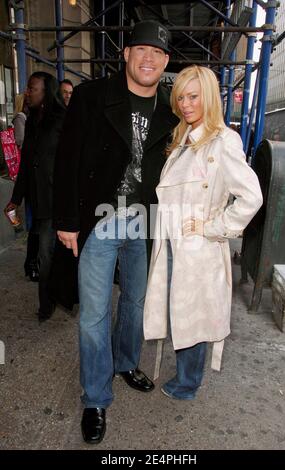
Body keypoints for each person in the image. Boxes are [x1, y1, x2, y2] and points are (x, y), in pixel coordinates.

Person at [52, 20, 178, 444]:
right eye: (141, 49)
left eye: (158, 53)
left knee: (136, 304)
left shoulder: (171, 109)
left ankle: (125, 361)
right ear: (126, 54)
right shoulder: (90, 98)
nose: (149, 58)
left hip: (145, 223)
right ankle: (95, 397)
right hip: (99, 221)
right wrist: (67, 220)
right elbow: (66, 160)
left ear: (165, 62)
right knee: (93, 315)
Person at [144, 65, 263, 401]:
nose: (185, 103)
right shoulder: (183, 138)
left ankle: (187, 383)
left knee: (192, 316)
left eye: (193, 96)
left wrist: (214, 227)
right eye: (181, 96)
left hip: (198, 247)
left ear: (209, 97)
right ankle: (186, 377)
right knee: (179, 309)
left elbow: (251, 197)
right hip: (172, 242)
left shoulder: (224, 141)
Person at [6, 72, 66, 322]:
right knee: (45, 252)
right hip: (38, 200)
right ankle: (48, 302)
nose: (27, 93)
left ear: (46, 92)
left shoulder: (63, 120)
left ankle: (50, 301)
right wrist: (15, 199)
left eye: (33, 89)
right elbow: (27, 163)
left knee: (48, 253)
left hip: (58, 199)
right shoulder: (30, 122)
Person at [12, 93, 40, 282]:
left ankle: (33, 263)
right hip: (30, 181)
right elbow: (22, 143)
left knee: (37, 226)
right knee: (34, 226)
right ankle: (31, 263)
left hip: (34, 181)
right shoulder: (22, 119)